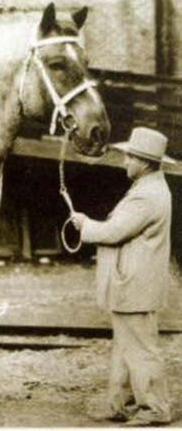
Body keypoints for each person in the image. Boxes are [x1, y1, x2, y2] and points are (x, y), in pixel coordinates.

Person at [71, 126, 174, 427]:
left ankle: (156, 407)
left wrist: (85, 224)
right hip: (134, 283)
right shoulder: (149, 187)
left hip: (135, 285)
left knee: (141, 348)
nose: (125, 161)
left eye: (129, 157)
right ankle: (119, 403)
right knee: (126, 345)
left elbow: (114, 232)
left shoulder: (147, 196)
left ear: (144, 162)